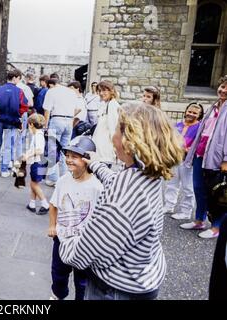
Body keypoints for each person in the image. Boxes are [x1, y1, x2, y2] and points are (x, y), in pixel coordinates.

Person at [59, 102, 184, 300]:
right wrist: (97, 164)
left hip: (115, 290)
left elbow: (84, 253)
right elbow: (118, 182)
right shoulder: (147, 173)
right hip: (141, 277)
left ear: (130, 140)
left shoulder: (122, 196)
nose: (112, 136)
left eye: (116, 129)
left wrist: (64, 238)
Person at [48, 137, 103, 300]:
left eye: (74, 157)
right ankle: (58, 295)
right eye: (68, 155)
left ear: (87, 160)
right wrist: (52, 226)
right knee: (58, 273)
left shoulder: (97, 187)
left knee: (83, 281)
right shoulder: (63, 181)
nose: (69, 160)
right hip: (62, 239)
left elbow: (101, 217)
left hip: (84, 244)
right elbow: (53, 204)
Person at [180, 75, 227, 239]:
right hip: (201, 154)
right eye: (222, 86)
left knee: (217, 192)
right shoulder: (213, 106)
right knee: (199, 188)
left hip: (217, 157)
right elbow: (202, 132)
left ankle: (216, 227)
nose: (223, 90)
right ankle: (199, 220)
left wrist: (226, 160)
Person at [163, 102, 204, 220]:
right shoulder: (178, 124)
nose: (191, 114)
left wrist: (188, 149)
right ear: (186, 111)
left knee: (188, 187)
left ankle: (186, 212)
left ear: (199, 115)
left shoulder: (200, 127)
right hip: (175, 159)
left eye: (195, 113)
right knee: (171, 184)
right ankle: (169, 205)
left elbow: (201, 143)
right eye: (189, 111)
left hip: (188, 161)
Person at [43, 74, 83, 187]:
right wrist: (69, 115)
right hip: (69, 121)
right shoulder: (70, 92)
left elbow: (47, 111)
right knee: (65, 152)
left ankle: (53, 179)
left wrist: (45, 127)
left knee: (52, 150)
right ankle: (64, 178)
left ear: (51, 85)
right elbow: (78, 108)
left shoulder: (51, 92)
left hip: (56, 120)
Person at [0, 69, 29, 177]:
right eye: (18, 78)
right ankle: (4, 169)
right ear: (15, 78)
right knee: (7, 145)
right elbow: (24, 106)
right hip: (12, 121)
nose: (18, 81)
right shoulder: (19, 92)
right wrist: (17, 114)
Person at [22, 113, 49, 215]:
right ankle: (32, 204)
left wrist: (28, 156)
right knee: (34, 183)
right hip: (41, 162)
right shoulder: (39, 134)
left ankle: (45, 204)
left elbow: (39, 150)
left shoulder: (38, 135)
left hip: (38, 163)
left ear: (31, 124)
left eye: (28, 125)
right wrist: (27, 154)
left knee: (34, 184)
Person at [91, 80, 120, 166]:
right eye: (99, 91)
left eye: (104, 90)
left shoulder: (112, 105)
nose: (101, 93)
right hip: (100, 148)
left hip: (105, 150)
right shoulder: (105, 104)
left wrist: (116, 148)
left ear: (111, 91)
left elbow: (113, 128)